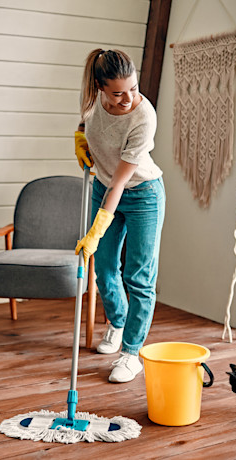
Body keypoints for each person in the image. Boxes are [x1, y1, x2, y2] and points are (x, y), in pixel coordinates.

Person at [74, 49, 165, 383]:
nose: (128, 98)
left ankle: (131, 353)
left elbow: (120, 182)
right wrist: (80, 138)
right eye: (118, 93)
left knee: (139, 277)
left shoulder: (144, 117)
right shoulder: (90, 99)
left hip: (142, 194)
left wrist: (96, 229)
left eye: (134, 88)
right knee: (106, 269)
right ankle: (118, 322)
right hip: (103, 187)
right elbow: (86, 123)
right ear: (100, 88)